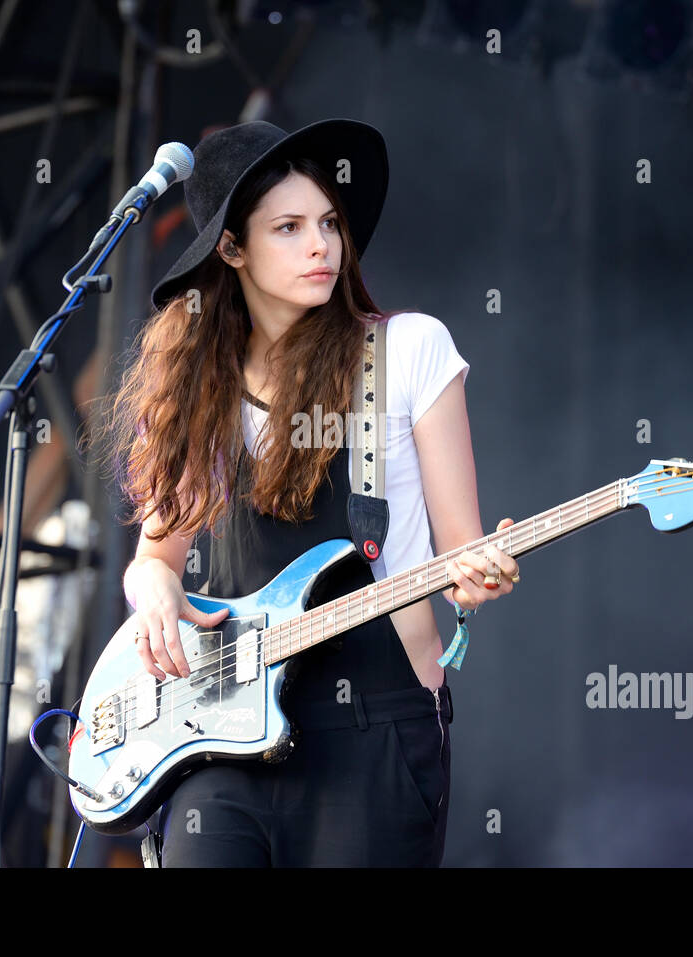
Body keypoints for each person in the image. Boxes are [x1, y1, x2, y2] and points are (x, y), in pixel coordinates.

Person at [102, 118, 520, 866]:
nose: (322, 245)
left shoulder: (409, 349)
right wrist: (156, 592)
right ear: (233, 249)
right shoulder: (196, 388)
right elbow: (153, 559)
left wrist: (478, 572)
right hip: (218, 737)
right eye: (289, 228)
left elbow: (463, 549)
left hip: (373, 732)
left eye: (328, 222)